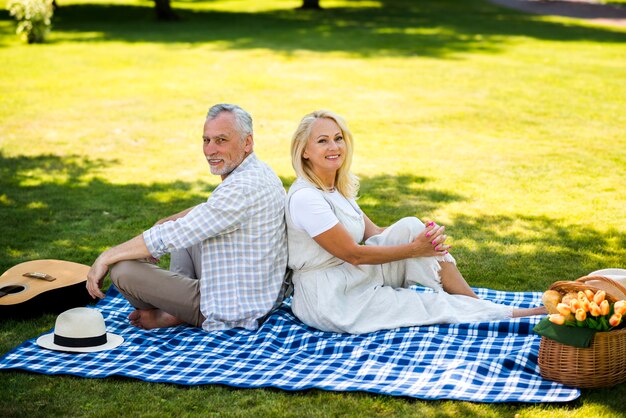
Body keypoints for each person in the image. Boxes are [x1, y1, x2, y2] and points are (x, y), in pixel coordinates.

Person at [286, 110, 546, 334]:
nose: (334, 147)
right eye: (322, 141)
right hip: (331, 299)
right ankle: (513, 314)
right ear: (305, 151)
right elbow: (354, 254)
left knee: (411, 225)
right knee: (426, 306)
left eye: (338, 138)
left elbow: (374, 232)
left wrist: (425, 236)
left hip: (350, 277)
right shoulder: (307, 198)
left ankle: (475, 304)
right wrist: (416, 249)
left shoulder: (334, 188)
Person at [86, 104, 288, 331]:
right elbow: (204, 214)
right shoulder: (258, 172)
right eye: (206, 140)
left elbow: (171, 236)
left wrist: (106, 256)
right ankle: (176, 310)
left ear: (247, 143)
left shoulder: (241, 189)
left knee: (122, 270)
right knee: (178, 227)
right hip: (257, 288)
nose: (210, 150)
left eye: (221, 140)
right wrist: (165, 221)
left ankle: (175, 313)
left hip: (232, 306)